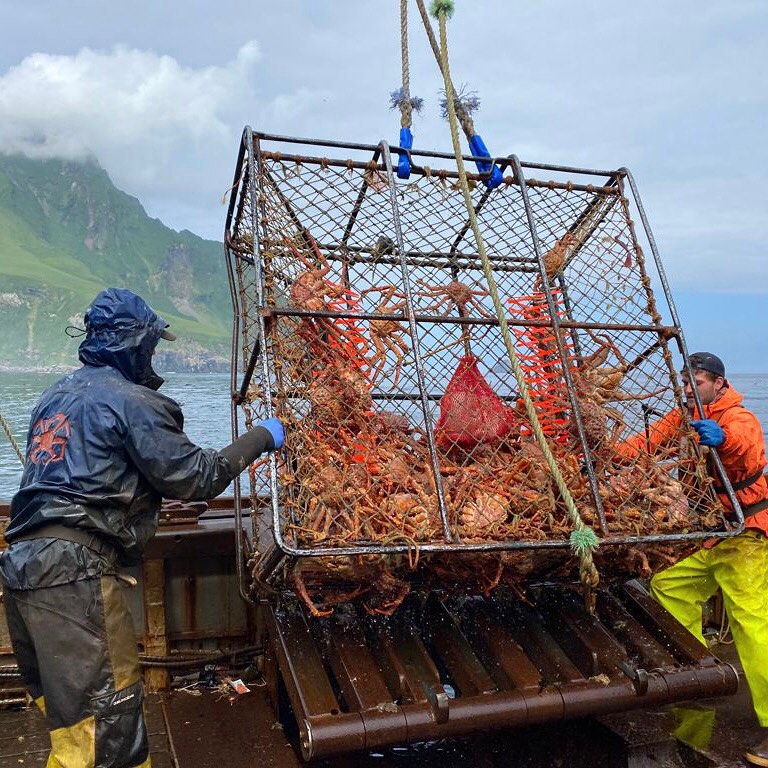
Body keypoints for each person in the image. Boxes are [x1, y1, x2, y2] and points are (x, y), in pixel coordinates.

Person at [0, 288, 284, 768]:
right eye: (151, 344)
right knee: (106, 731)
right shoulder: (133, 401)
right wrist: (263, 436)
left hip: (22, 569)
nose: (154, 354)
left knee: (69, 722)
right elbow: (198, 479)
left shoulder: (54, 397)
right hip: (73, 574)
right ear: (134, 344)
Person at [618, 352, 768, 766]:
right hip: (711, 537)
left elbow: (747, 447)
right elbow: (642, 445)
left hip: (746, 536)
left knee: (753, 624)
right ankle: (705, 668)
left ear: (719, 383)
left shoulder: (737, 418)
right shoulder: (682, 417)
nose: (688, 390)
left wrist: (722, 439)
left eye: (697, 383)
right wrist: (603, 455)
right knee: (668, 584)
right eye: (684, 383)